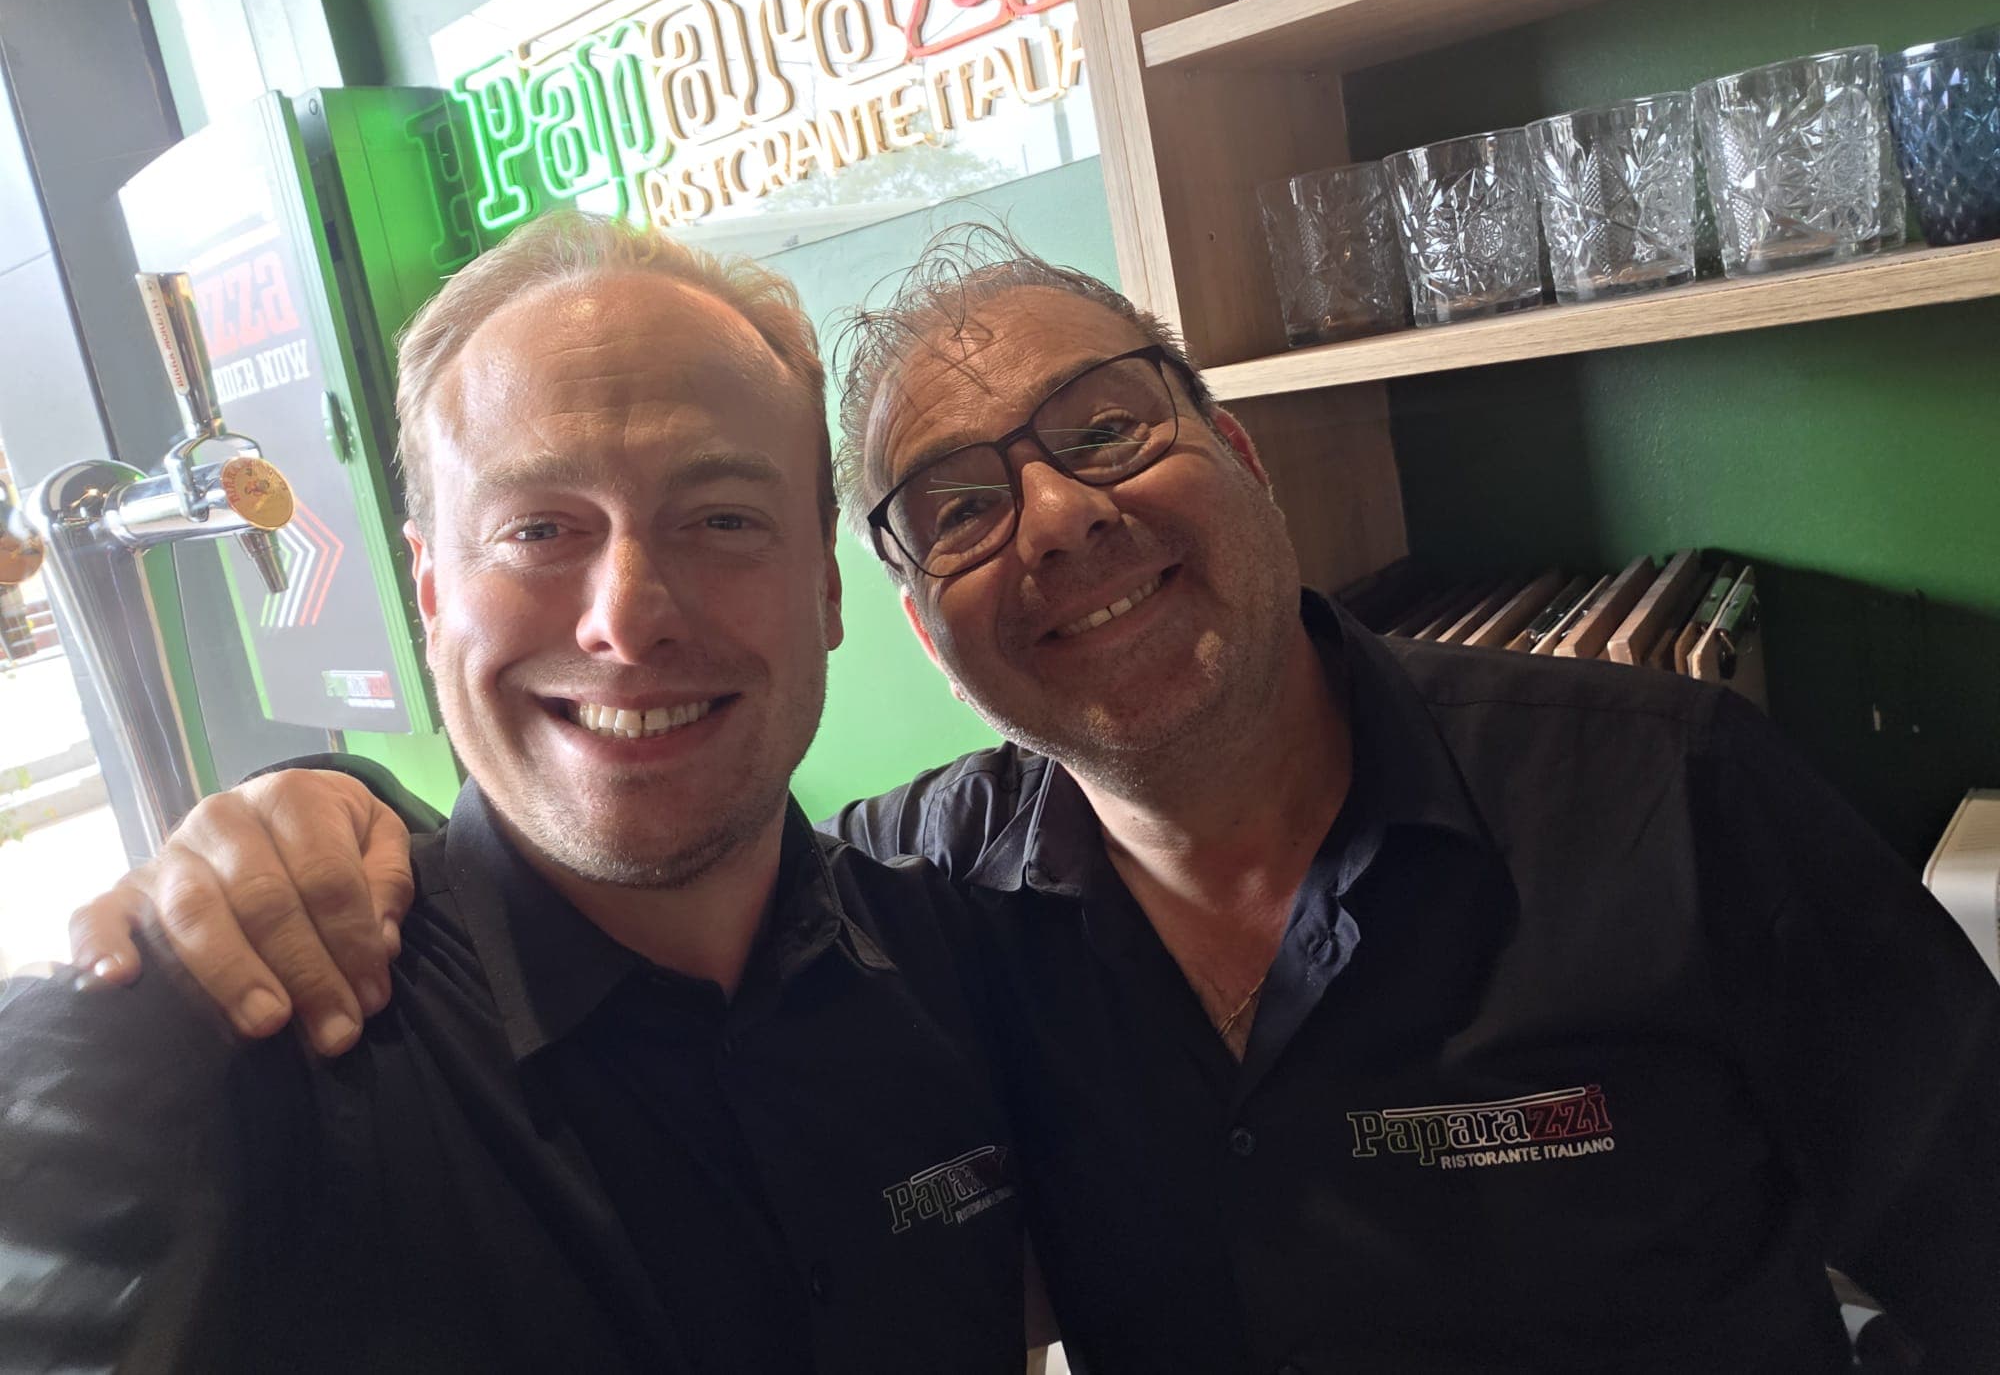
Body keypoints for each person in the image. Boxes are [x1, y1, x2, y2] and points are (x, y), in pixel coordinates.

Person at [73, 226, 2000, 1372]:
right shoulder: (936, 916)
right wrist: (311, 808)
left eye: (1106, 432)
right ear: (899, 609)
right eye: (962, 505)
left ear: (1237, 451)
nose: (1063, 522)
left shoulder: (1660, 792)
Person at [0, 213, 1029, 1374]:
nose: (626, 615)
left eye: (724, 520)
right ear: (432, 591)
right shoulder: (201, 1055)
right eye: (538, 528)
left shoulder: (957, 968)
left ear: (825, 594)